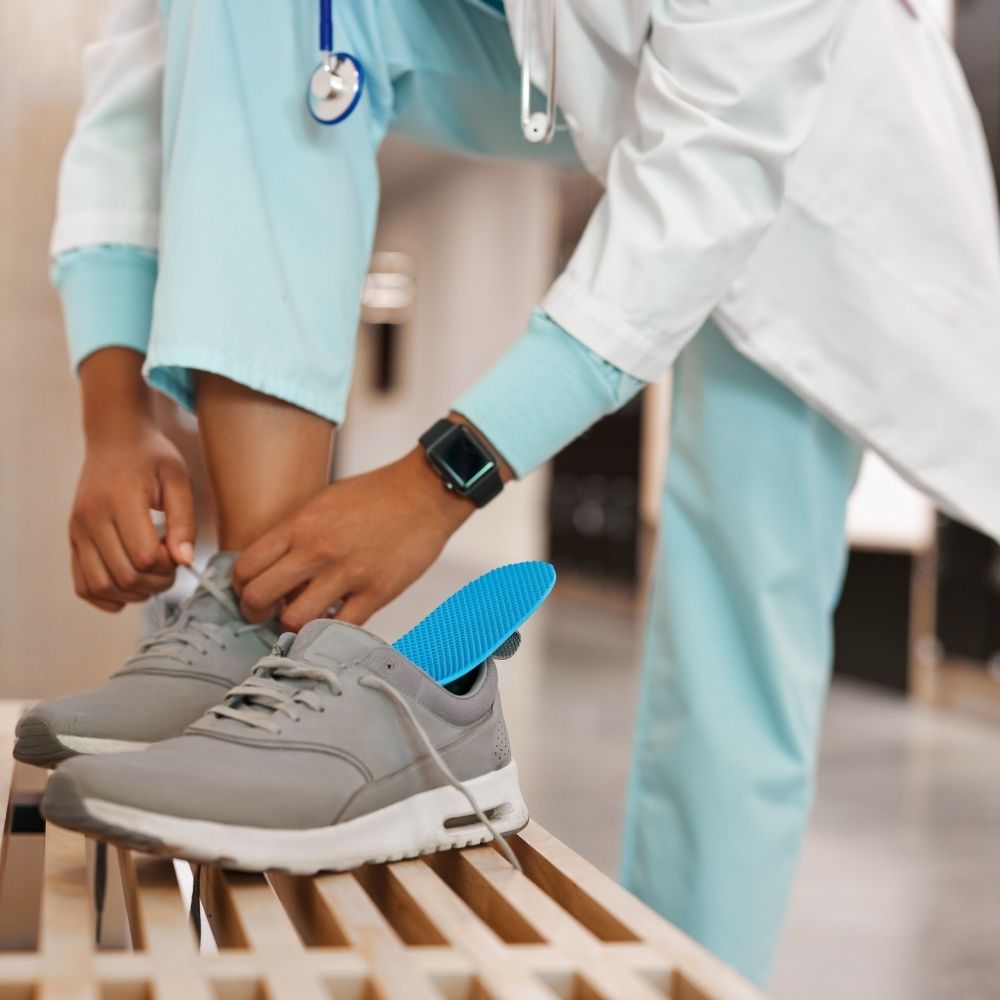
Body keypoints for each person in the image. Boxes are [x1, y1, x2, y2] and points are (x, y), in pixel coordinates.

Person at [23, 0, 1000, 984]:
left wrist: (442, 477)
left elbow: (713, 164)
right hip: (539, 60)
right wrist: (118, 417)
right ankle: (270, 626)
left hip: (803, 147)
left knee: (738, 629)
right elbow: (151, 68)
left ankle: (688, 971)